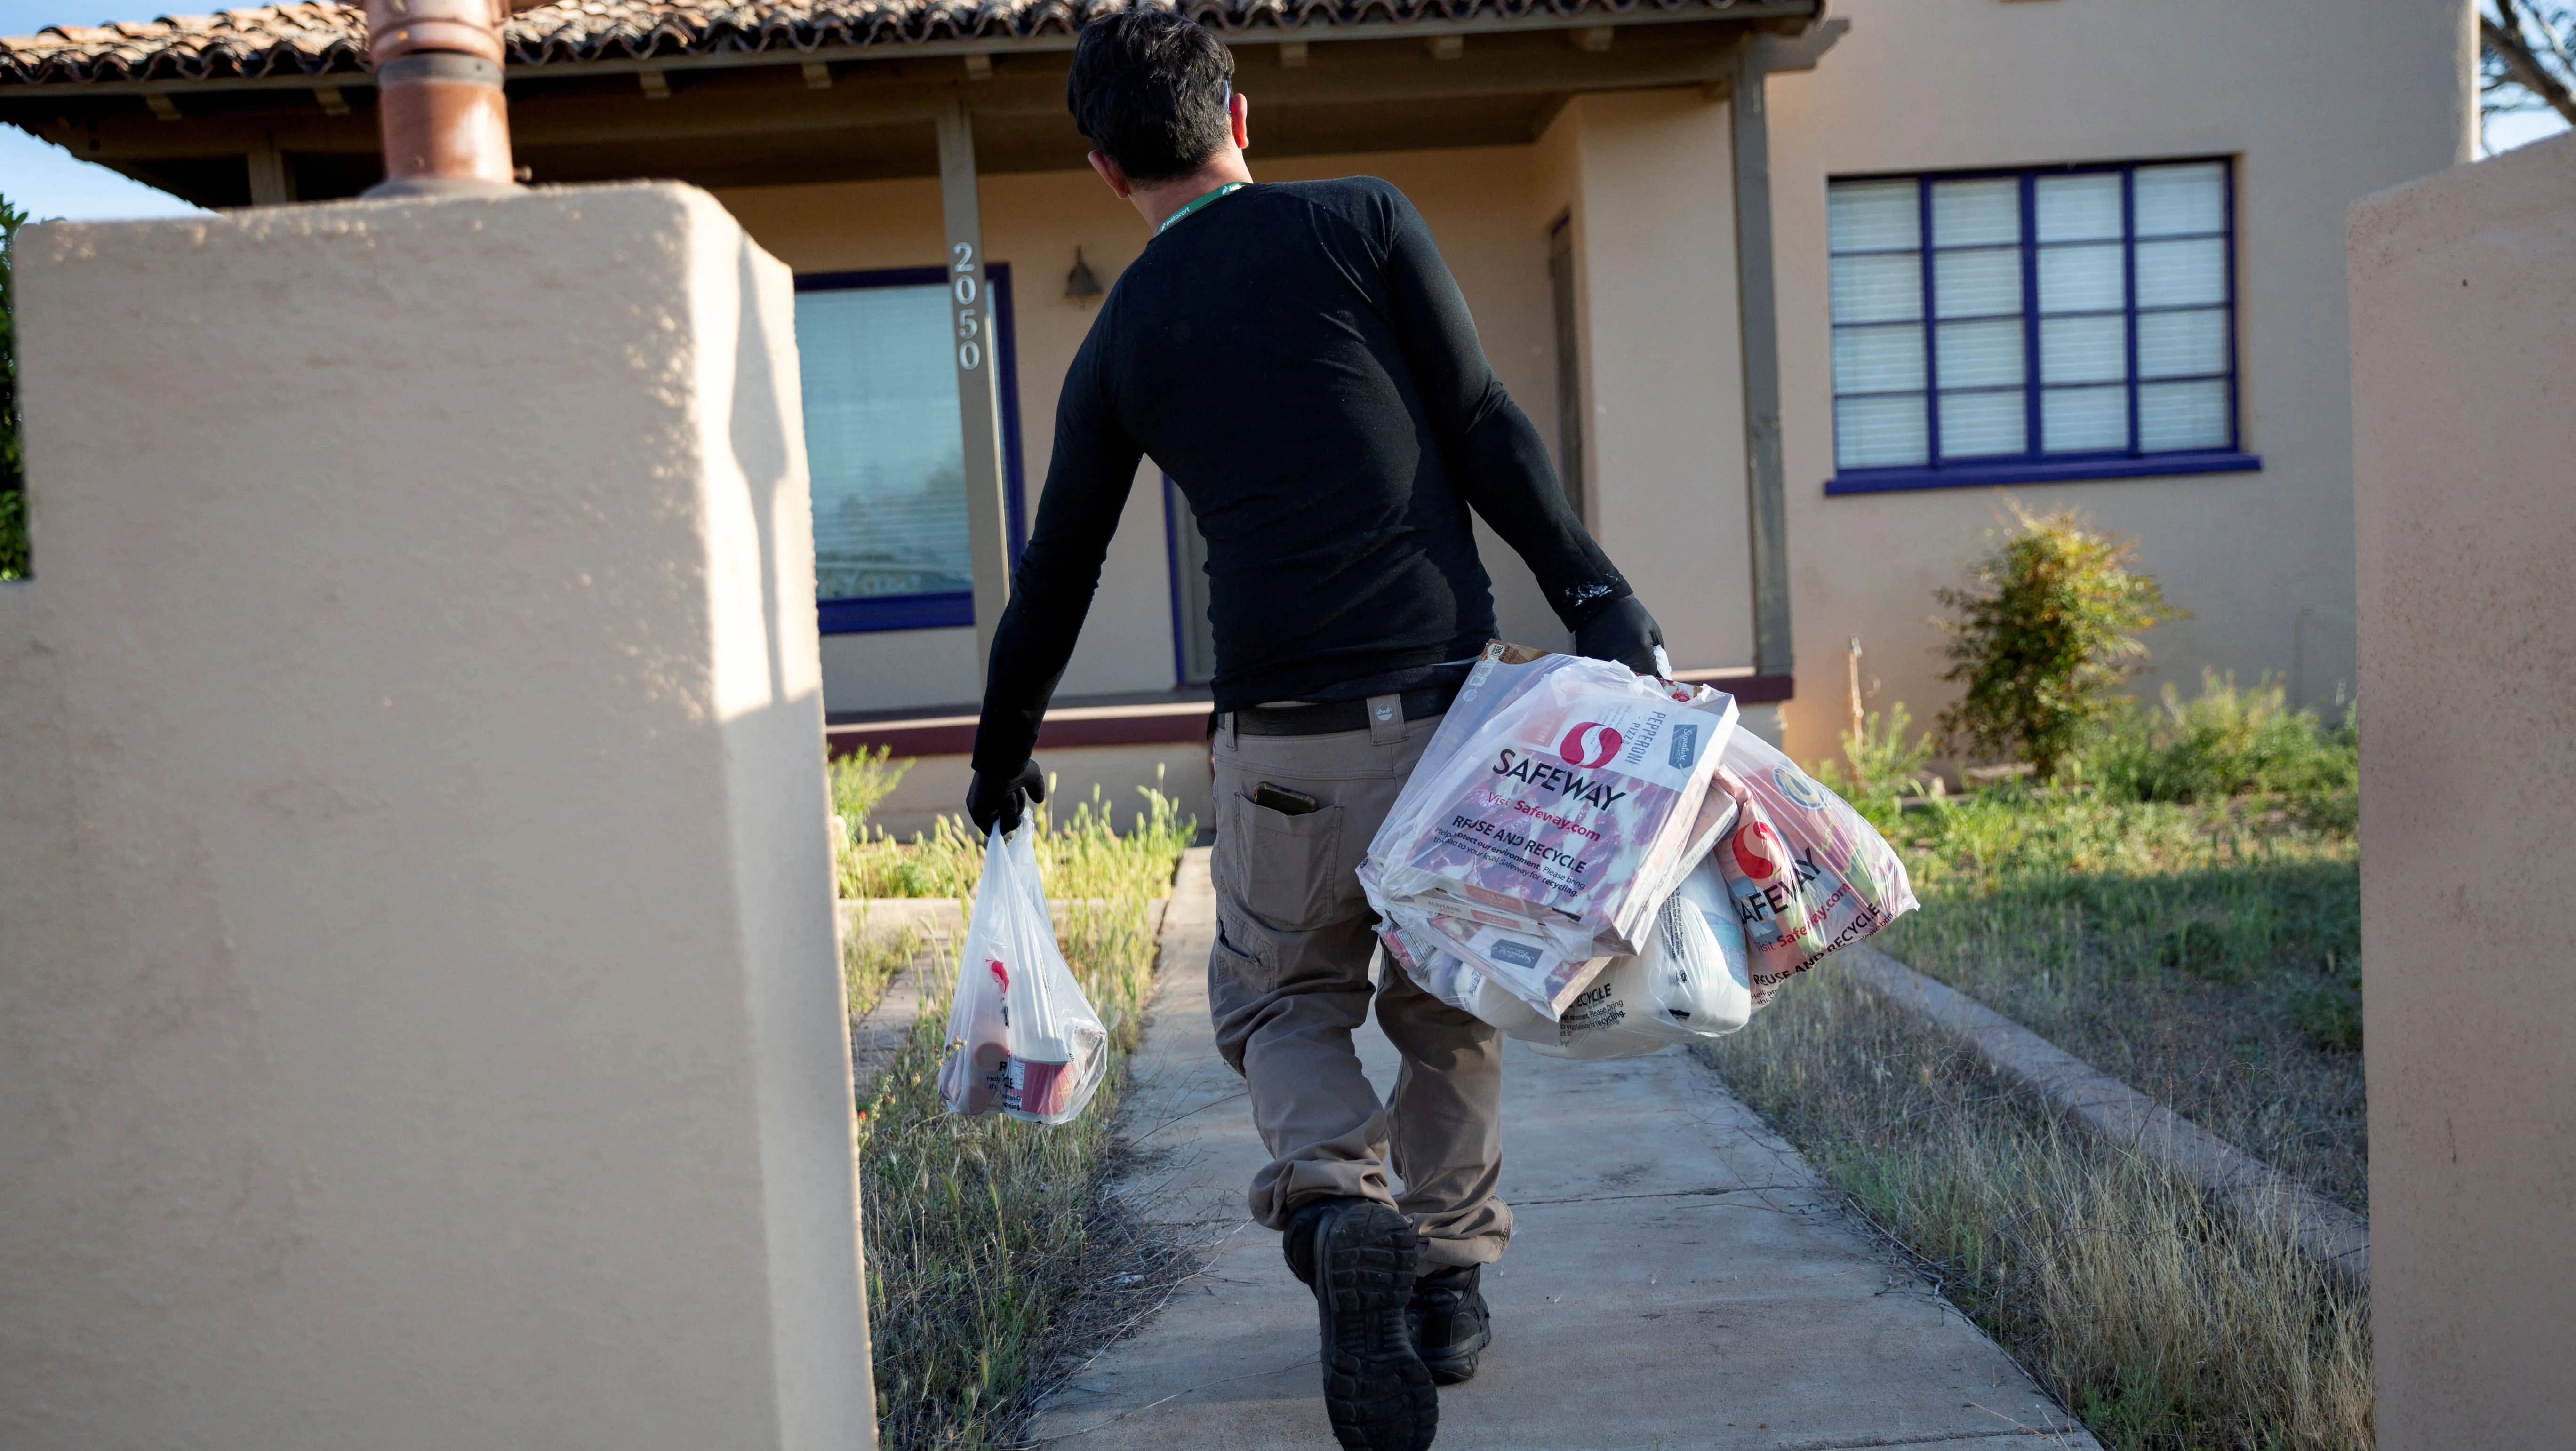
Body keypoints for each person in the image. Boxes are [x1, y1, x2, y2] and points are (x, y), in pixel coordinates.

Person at [966, 11, 1664, 1449]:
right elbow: (1481, 422)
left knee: (1284, 1000)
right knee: (1445, 996)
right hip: (1450, 718)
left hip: (1284, 742)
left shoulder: (1120, 337)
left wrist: (1000, 754)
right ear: (1242, 120)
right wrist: (1604, 603)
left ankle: (1340, 1201)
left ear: (1105, 171)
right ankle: (1453, 1280)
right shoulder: (1365, 222)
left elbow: (1058, 572)